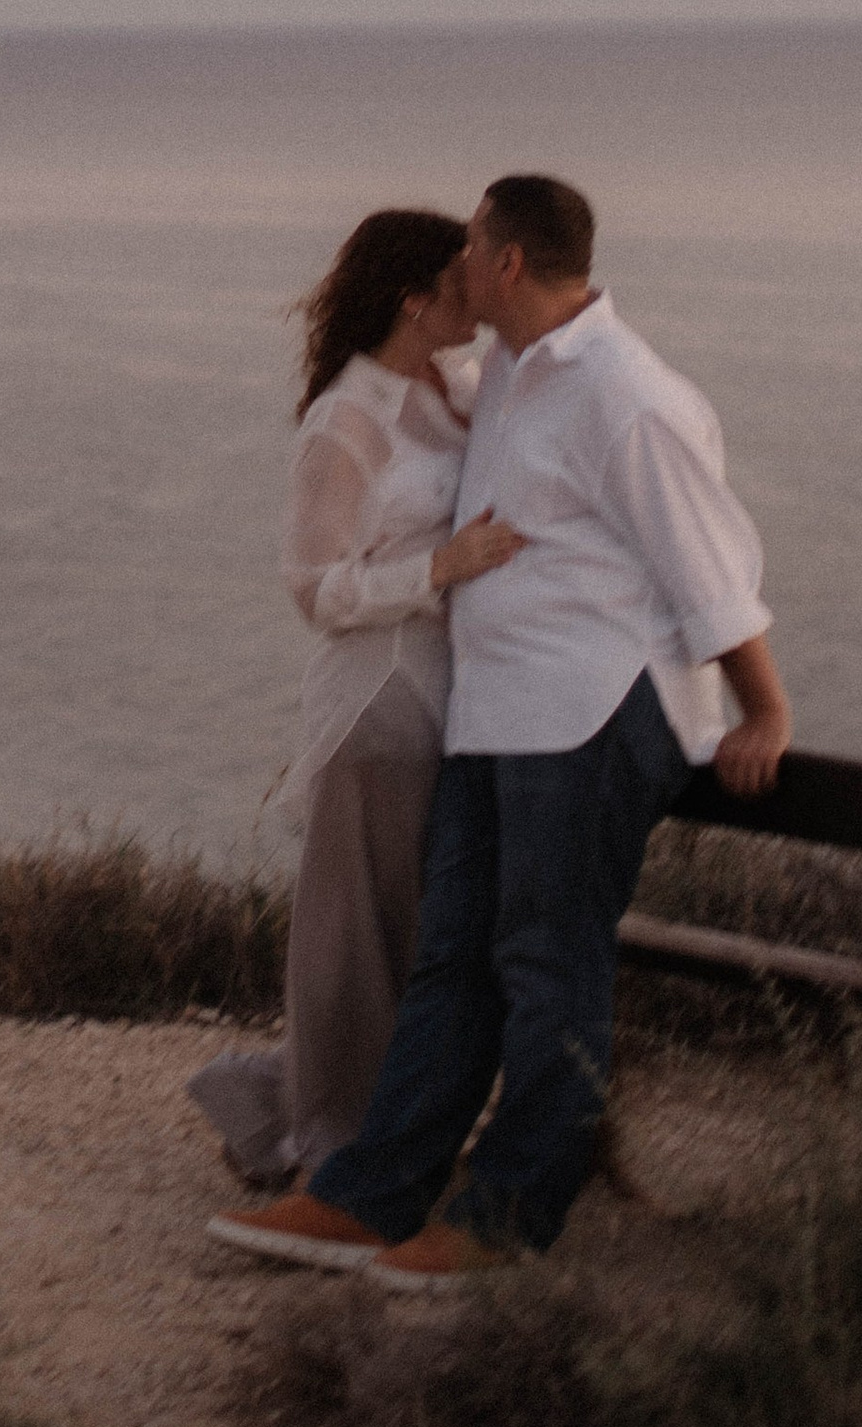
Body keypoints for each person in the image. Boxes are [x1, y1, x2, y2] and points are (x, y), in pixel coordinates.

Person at [207, 171, 792, 1286]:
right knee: (451, 965)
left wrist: (762, 704)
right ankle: (368, 1196)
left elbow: (710, 565)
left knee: (543, 963)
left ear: (507, 261)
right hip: (492, 713)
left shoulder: (626, 393)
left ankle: (505, 1218)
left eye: (469, 247)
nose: (458, 269)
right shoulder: (507, 377)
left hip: (589, 710)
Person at [188, 210, 523, 1187]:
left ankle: (332, 1121)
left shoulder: (461, 387)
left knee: (422, 931)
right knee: (357, 936)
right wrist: (440, 566)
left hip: (456, 692)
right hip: (376, 698)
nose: (483, 297)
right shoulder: (348, 419)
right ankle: (325, 1144)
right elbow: (313, 590)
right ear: (414, 299)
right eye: (464, 285)